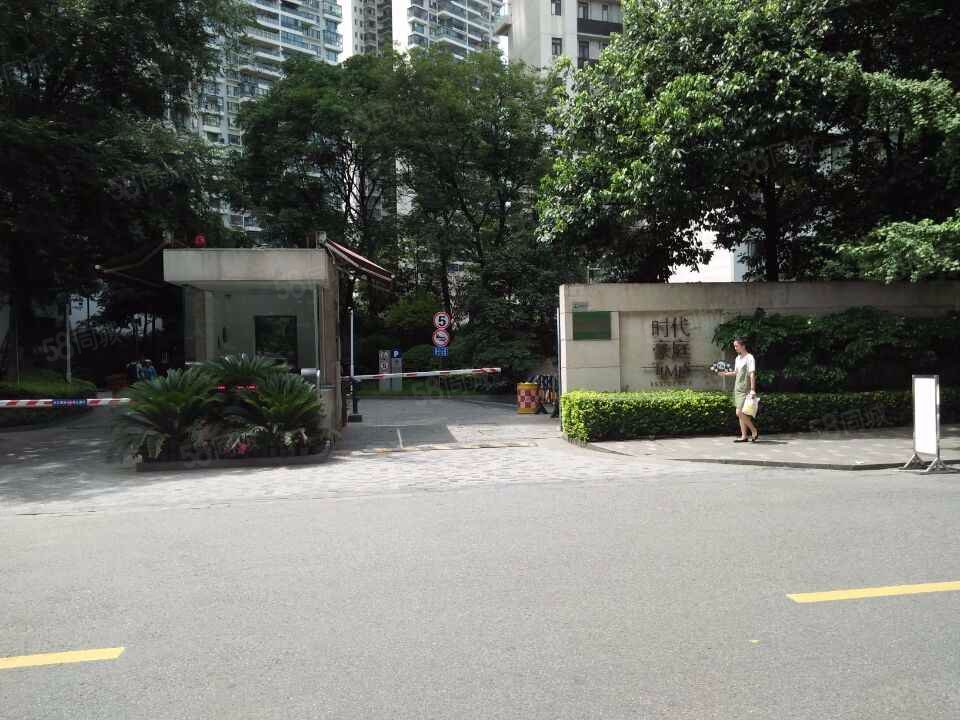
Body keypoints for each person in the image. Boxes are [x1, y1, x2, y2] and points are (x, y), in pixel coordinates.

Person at [720, 337, 759, 442]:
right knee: (742, 413)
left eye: (736, 346)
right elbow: (736, 372)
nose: (735, 348)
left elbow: (752, 374)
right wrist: (725, 373)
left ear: (743, 346)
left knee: (739, 412)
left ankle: (754, 430)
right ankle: (744, 436)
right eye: (734, 346)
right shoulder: (737, 358)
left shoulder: (749, 357)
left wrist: (752, 389)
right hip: (737, 388)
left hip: (745, 388)